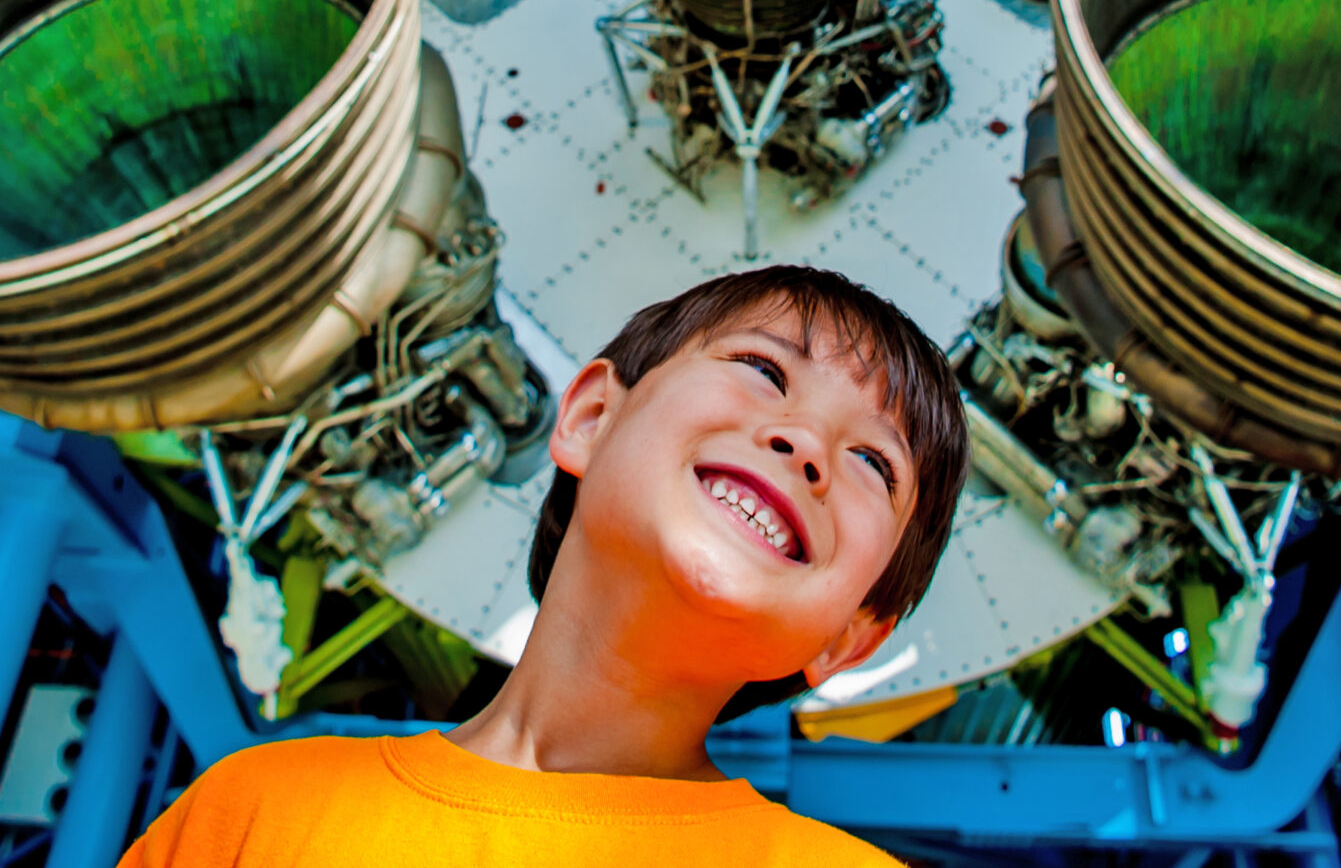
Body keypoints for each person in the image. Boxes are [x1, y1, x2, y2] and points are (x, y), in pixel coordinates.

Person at [118, 264, 970, 867]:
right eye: (762, 368)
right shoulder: (253, 812)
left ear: (853, 637)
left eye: (874, 463)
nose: (806, 443)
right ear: (592, 415)